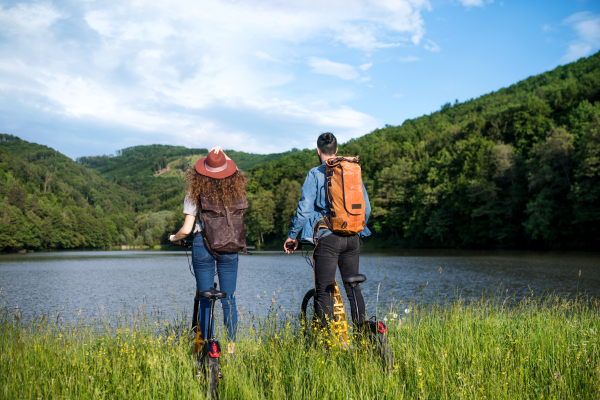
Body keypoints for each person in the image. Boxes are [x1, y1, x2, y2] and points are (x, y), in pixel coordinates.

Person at [283, 132, 371, 330]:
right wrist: (356, 226)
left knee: (324, 291)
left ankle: (324, 345)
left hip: (328, 239)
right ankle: (364, 339)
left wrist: (292, 235)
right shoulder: (351, 172)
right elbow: (367, 207)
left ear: (318, 150)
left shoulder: (315, 173)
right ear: (337, 150)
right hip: (353, 237)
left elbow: (305, 208)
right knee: (353, 288)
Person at [170, 146, 248, 356]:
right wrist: (223, 156)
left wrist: (173, 238)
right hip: (230, 246)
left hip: (202, 246)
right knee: (229, 298)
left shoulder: (194, 193)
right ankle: (231, 348)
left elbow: (186, 229)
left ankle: (208, 346)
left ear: (201, 173)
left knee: (206, 297)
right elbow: (236, 172)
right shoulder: (236, 192)